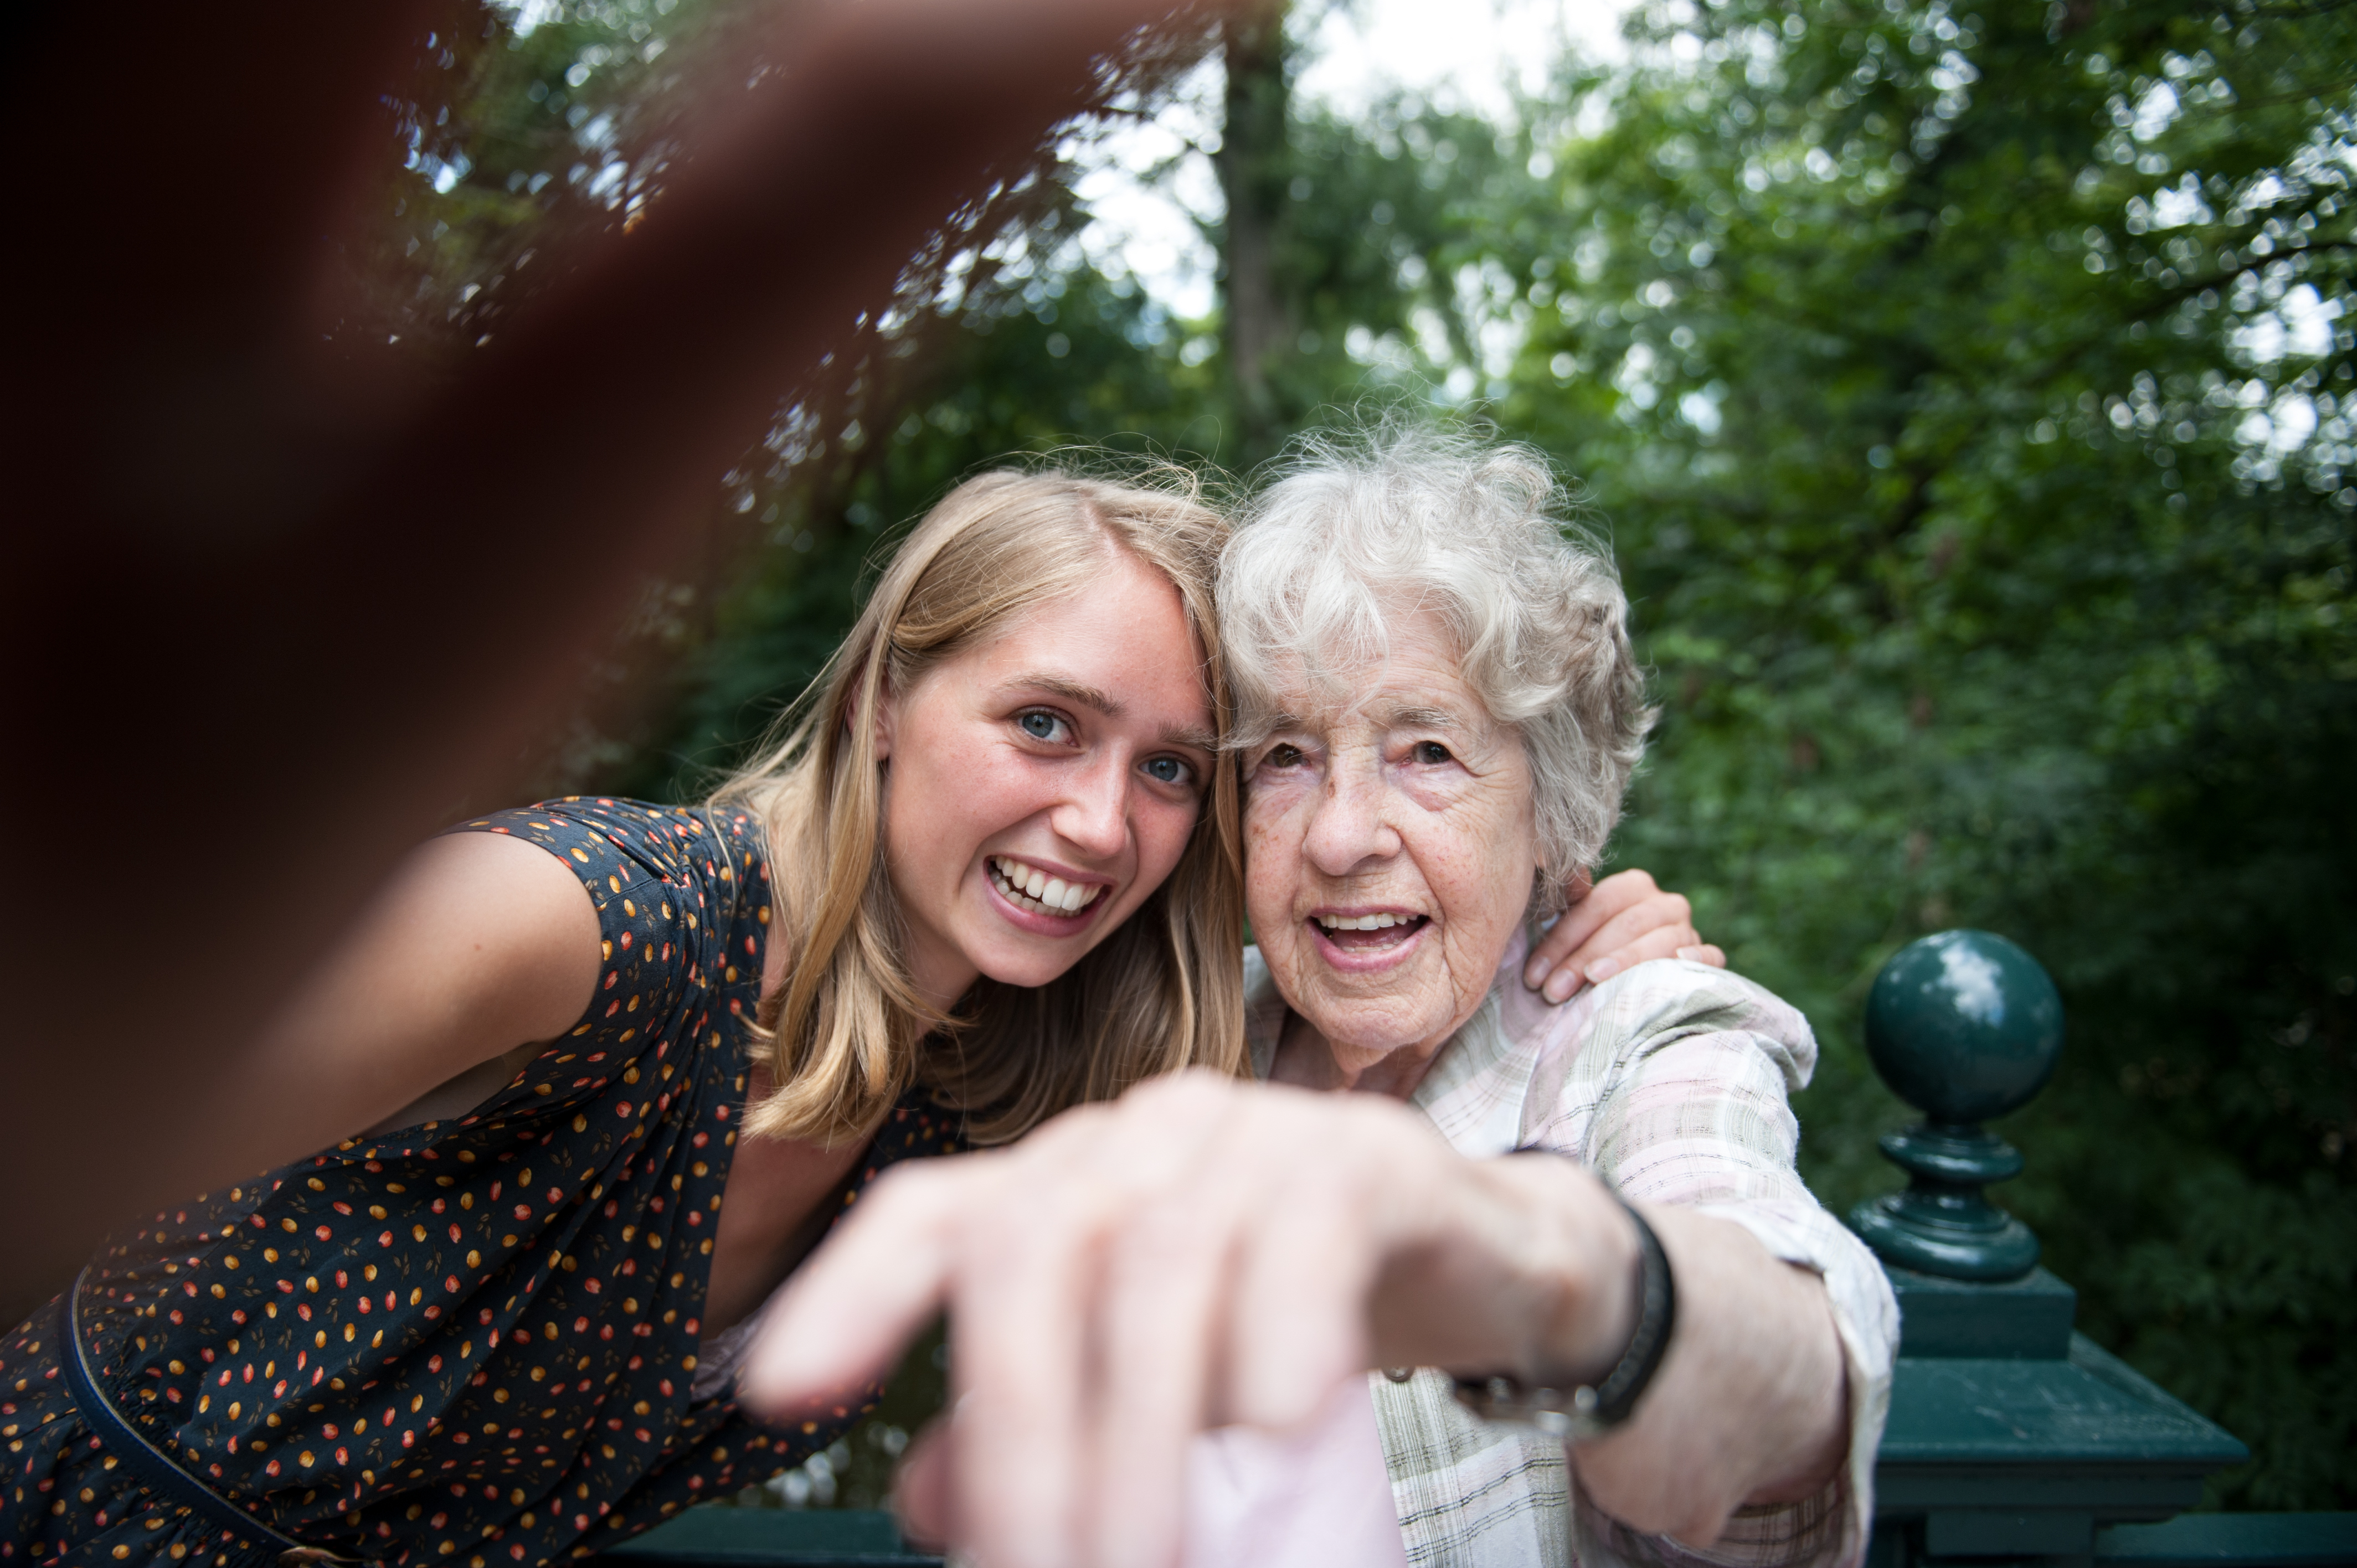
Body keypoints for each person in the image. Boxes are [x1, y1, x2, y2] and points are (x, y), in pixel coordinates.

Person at [0, 462, 1710, 1568]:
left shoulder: (986, 1092)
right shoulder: (597, 922)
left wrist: (1573, 913)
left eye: (1174, 769)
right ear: (892, 696)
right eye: (1045, 724)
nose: (1104, 824)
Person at [742, 429, 1897, 1568]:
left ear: (1556, 815)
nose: (1341, 837)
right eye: (1286, 756)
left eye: (1428, 752)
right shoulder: (1163, 1030)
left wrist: (1555, 1273)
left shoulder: (1642, 1042)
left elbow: (1799, 1383)